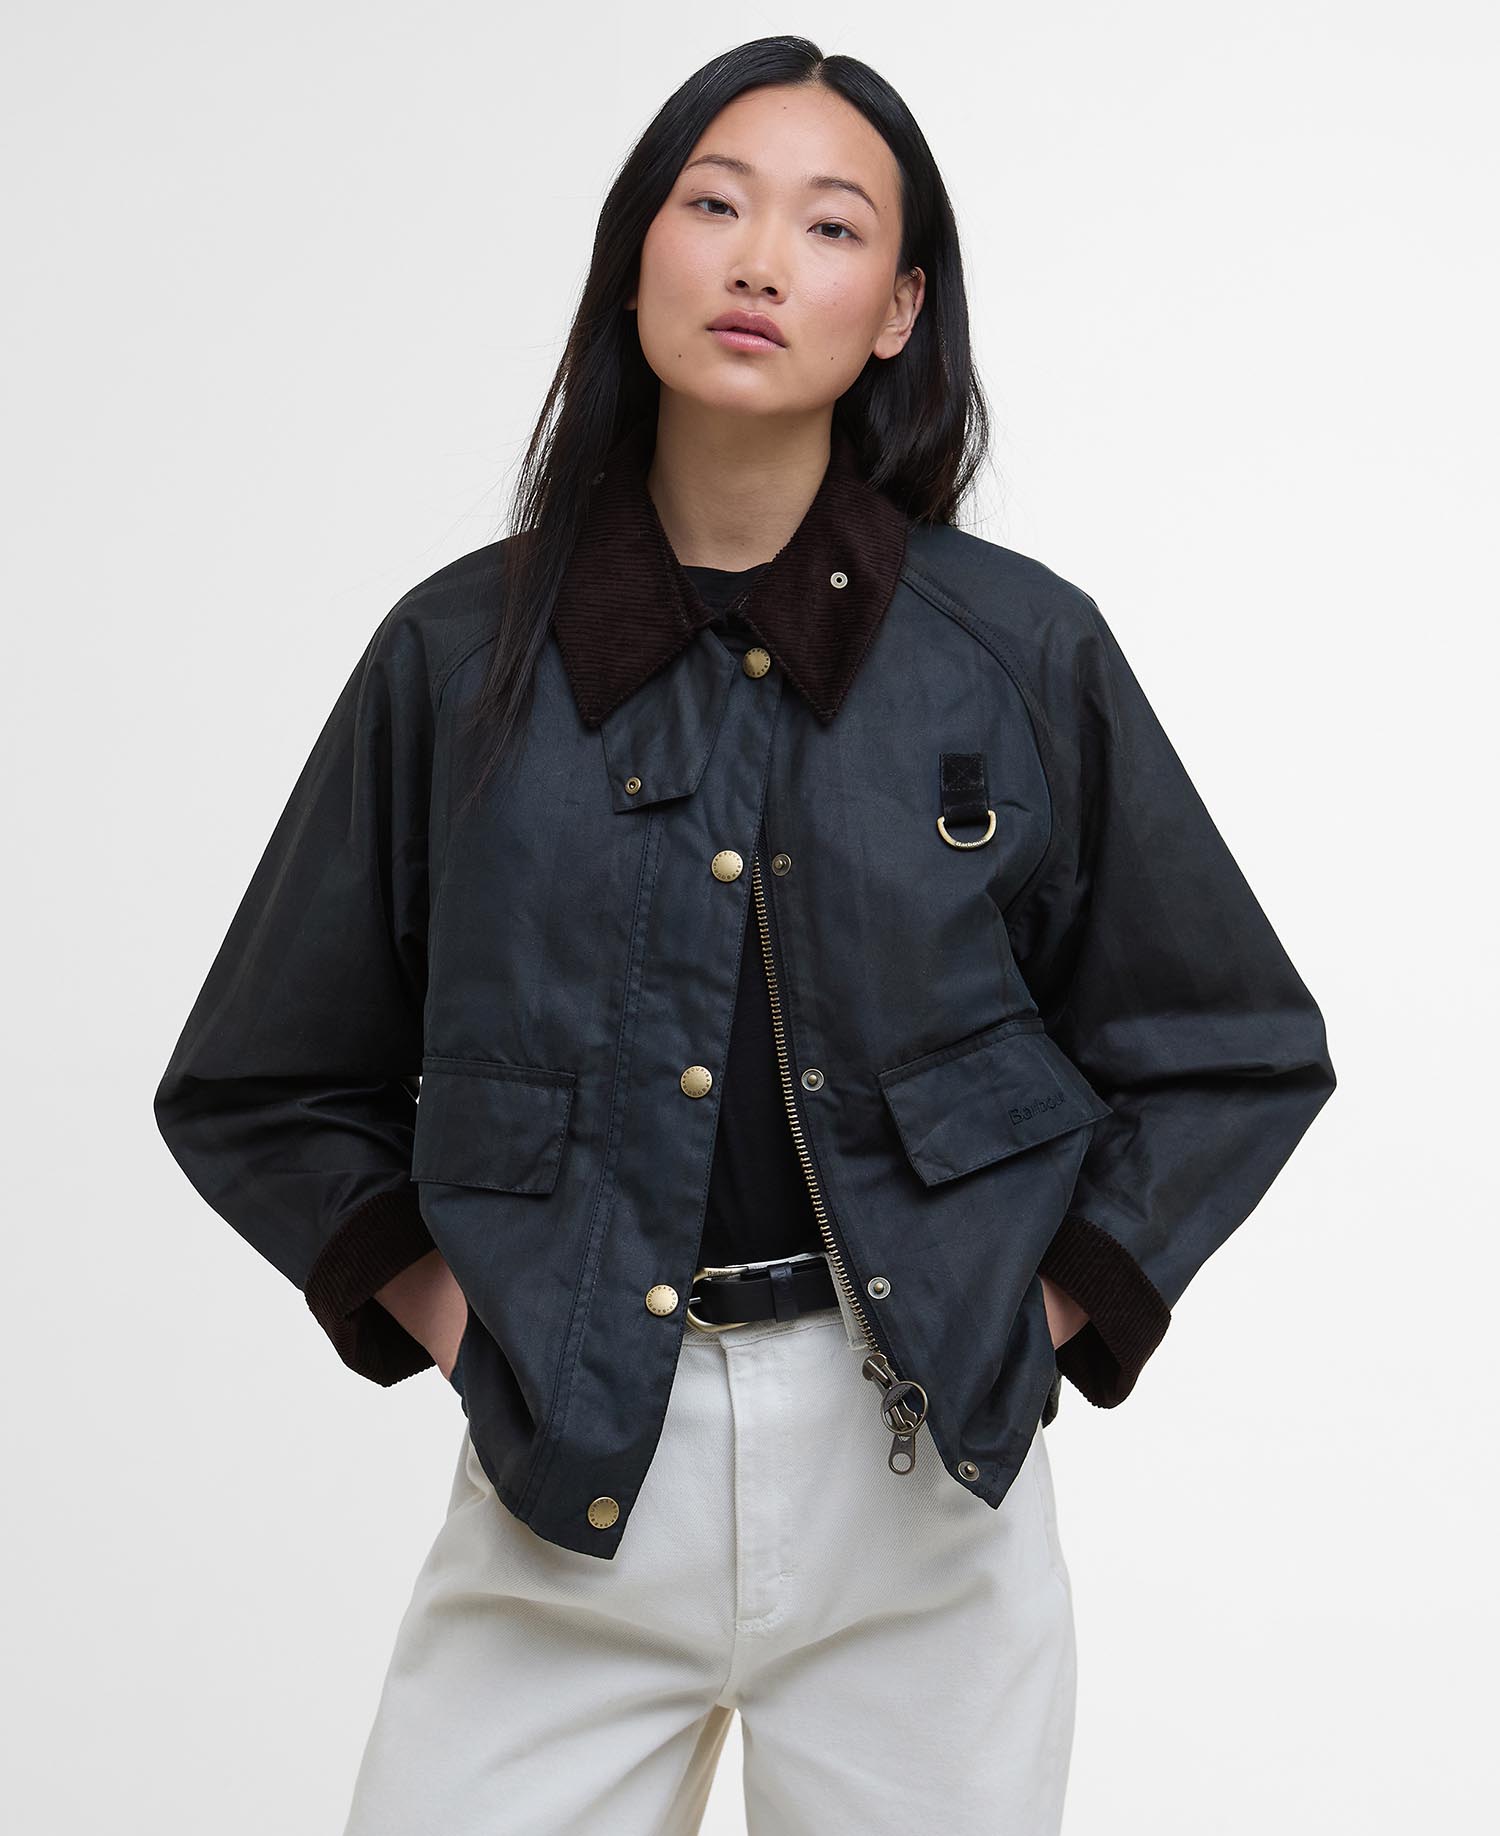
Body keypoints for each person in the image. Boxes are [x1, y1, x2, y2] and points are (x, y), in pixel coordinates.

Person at [152, 35, 1336, 1835]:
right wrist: (468, 1323)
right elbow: (262, 1078)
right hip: (568, 1483)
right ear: (638, 250)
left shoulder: (1019, 655)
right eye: (714, 205)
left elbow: (1227, 1044)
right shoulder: (455, 660)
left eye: (832, 226)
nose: (763, 260)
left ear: (899, 311)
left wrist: (1035, 1310)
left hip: (921, 1501)